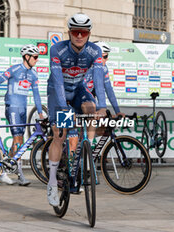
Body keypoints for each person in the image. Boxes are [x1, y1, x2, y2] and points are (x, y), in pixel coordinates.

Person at [46, 13, 107, 206]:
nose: (79, 36)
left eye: (83, 32)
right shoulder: (57, 49)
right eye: (75, 32)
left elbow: (98, 80)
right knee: (60, 135)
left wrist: (103, 106)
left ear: (89, 33)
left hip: (78, 89)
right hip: (59, 91)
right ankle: (52, 181)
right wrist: (64, 108)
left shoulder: (95, 50)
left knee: (91, 108)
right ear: (69, 32)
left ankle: (86, 149)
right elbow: (57, 81)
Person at [0, 44, 44, 186]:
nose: (37, 60)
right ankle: (17, 175)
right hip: (12, 107)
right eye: (35, 57)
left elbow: (37, 95)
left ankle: (7, 171)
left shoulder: (33, 74)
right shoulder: (14, 69)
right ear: (27, 57)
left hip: (23, 108)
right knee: (18, 140)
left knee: (19, 142)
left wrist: (40, 112)